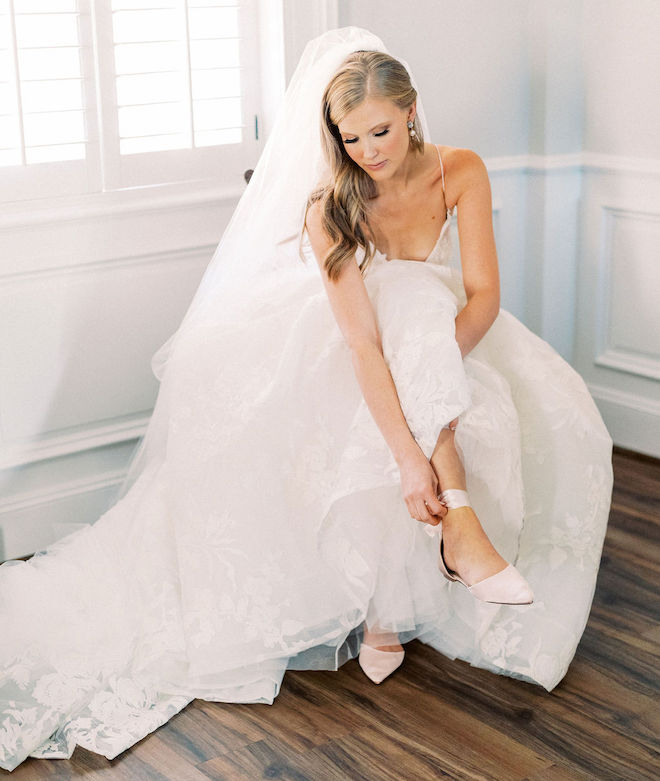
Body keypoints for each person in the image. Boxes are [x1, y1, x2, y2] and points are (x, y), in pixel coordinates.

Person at [0, 27, 612, 772]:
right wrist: (411, 459)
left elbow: (483, 296)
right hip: (354, 343)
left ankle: (413, 579)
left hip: (444, 332)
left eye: (380, 131)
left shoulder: (462, 170)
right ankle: (440, 538)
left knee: (432, 315)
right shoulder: (331, 206)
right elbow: (361, 344)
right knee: (396, 346)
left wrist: (433, 371)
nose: (368, 153)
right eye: (349, 138)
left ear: (413, 112)